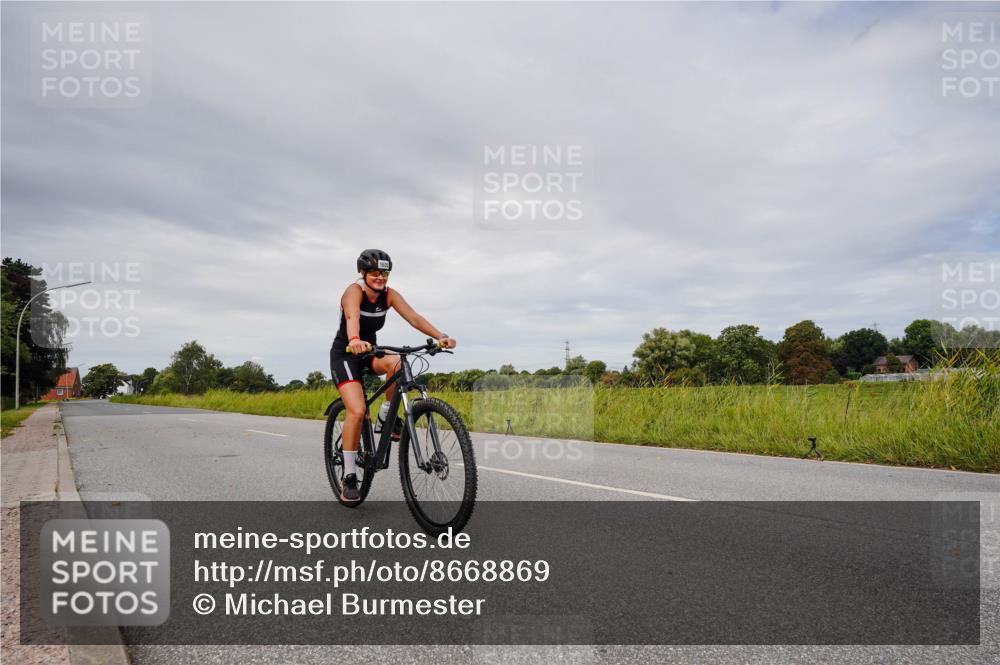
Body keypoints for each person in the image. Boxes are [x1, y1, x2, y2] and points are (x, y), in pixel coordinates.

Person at [330, 249, 456, 501]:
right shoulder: (353, 292)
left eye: (384, 273)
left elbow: (414, 318)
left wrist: (440, 336)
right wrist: (354, 339)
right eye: (375, 272)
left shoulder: (388, 295)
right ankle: (350, 475)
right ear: (362, 273)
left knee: (398, 364)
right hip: (346, 354)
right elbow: (352, 315)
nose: (380, 277)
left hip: (370, 351)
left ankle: (387, 414)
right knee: (356, 411)